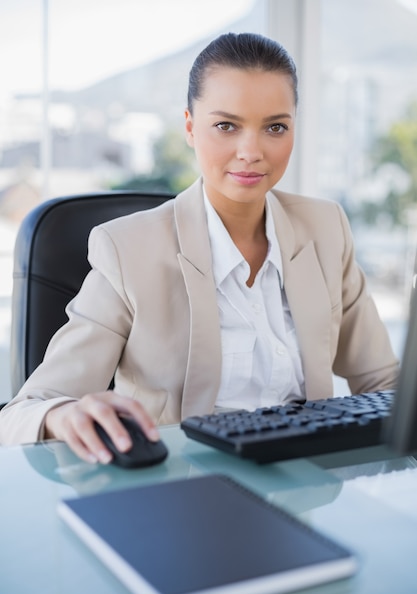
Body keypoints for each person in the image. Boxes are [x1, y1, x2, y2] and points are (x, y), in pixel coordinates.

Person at [0, 32, 399, 464]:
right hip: (180, 491)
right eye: (226, 126)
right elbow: (23, 413)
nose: (251, 152)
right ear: (190, 127)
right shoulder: (127, 250)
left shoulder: (325, 228)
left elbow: (384, 383)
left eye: (275, 127)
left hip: (308, 486)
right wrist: (65, 414)